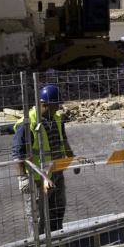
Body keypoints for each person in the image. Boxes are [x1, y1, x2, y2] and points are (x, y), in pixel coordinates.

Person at [12, 84, 79, 237]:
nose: (58, 108)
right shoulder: (27, 123)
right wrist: (22, 178)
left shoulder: (56, 119)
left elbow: (64, 142)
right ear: (45, 104)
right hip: (37, 178)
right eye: (56, 105)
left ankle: (56, 243)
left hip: (56, 173)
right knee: (39, 216)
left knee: (58, 208)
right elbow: (17, 153)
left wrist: (71, 159)